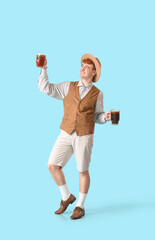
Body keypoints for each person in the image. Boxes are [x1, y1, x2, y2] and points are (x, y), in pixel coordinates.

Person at [38, 53, 111, 219]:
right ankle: (67, 197)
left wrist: (105, 118)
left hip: (85, 135)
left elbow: (97, 117)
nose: (82, 68)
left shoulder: (98, 94)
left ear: (94, 72)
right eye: (82, 65)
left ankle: (80, 205)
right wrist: (44, 69)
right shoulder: (67, 86)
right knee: (52, 165)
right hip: (66, 132)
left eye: (87, 67)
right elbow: (46, 88)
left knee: (82, 170)